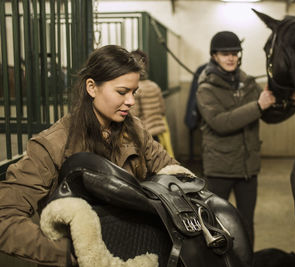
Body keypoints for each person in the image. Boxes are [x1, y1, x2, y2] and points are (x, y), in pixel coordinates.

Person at [0, 45, 181, 266]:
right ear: (92, 87)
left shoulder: (135, 130)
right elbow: (4, 218)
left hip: (137, 253)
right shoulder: (52, 144)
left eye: (134, 92)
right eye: (122, 92)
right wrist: (71, 253)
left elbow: (172, 172)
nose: (131, 101)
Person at [196, 31, 277, 248]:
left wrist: (292, 101)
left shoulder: (248, 84)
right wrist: (258, 106)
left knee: (246, 224)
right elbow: (221, 123)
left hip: (247, 170)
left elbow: (268, 114)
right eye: (225, 53)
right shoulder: (206, 88)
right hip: (219, 169)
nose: (231, 57)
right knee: (215, 223)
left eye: (235, 53)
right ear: (215, 56)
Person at [130, 49, 174, 157]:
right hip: (158, 133)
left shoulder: (136, 89)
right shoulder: (154, 86)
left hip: (145, 134)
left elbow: (134, 114)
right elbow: (162, 110)